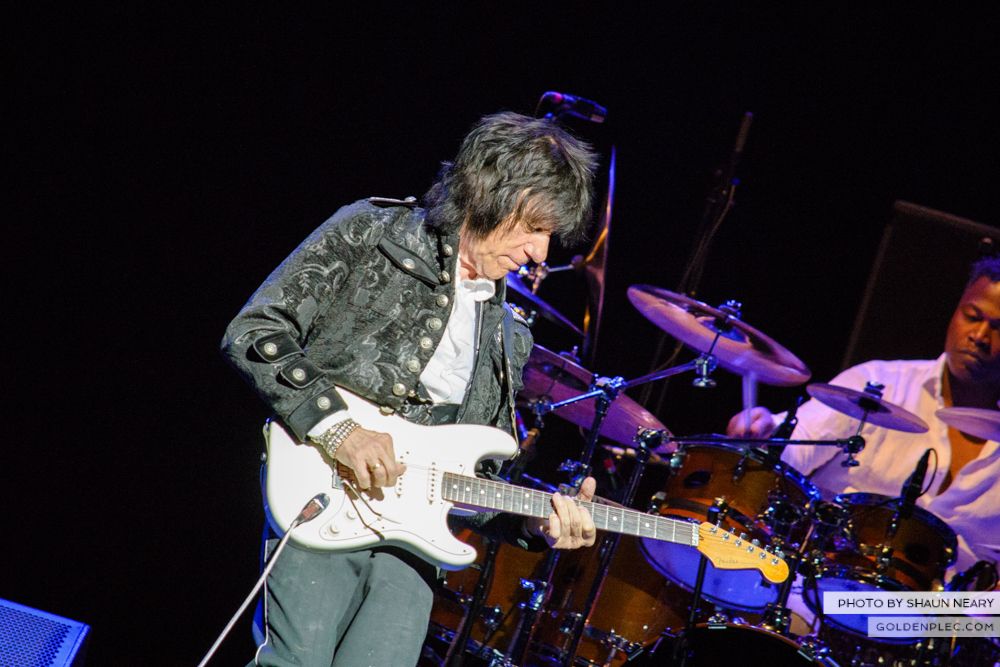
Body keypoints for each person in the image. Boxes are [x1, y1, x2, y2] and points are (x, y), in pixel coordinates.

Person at [221, 111, 600, 666]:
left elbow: (477, 483)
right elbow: (255, 332)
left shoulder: (509, 332)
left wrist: (535, 521)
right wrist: (340, 430)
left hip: (414, 542)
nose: (541, 254)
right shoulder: (372, 230)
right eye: (536, 227)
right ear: (493, 192)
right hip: (324, 488)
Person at [727, 255, 1000, 582]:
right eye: (972, 316)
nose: (980, 336)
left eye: (998, 327)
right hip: (812, 590)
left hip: (938, 613)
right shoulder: (879, 384)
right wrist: (765, 432)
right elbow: (797, 446)